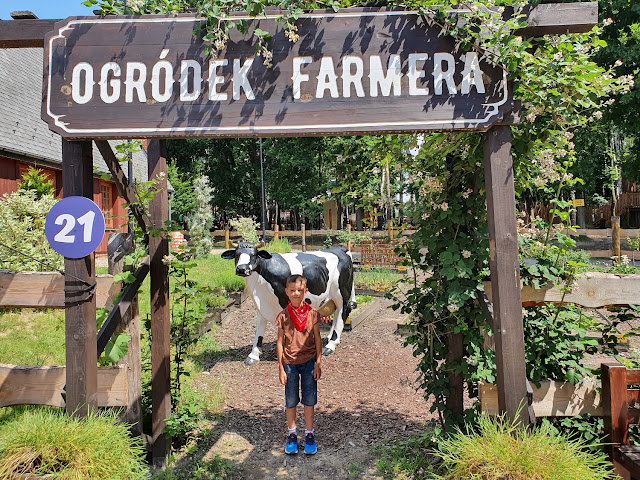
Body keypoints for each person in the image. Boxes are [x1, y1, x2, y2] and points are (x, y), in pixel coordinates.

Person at [276, 274, 322, 455]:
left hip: (310, 362)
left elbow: (318, 339)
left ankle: (309, 434)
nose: (296, 294)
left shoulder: (312, 314)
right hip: (289, 364)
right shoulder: (283, 316)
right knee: (291, 401)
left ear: (306, 291)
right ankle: (292, 434)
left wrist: (319, 362)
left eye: (300, 290)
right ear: (286, 292)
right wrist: (280, 367)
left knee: (309, 400)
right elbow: (279, 342)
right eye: (292, 290)